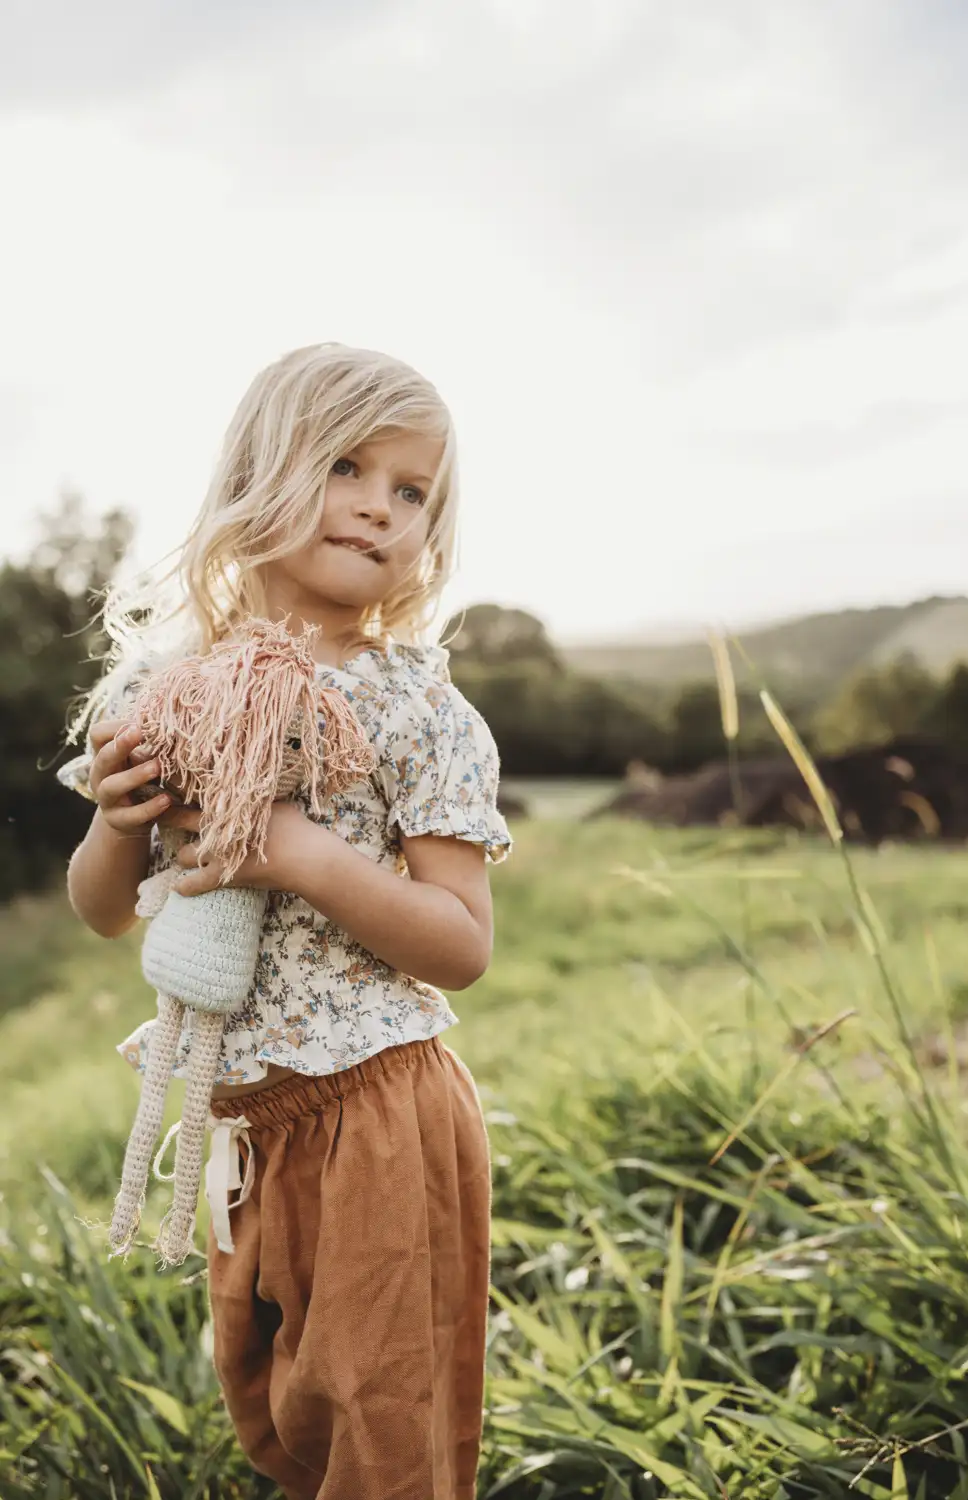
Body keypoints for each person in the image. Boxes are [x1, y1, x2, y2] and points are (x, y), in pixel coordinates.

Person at [57, 343, 512, 1500]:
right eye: (349, 466)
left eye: (413, 492)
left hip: (379, 1107)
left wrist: (301, 856)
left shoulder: (413, 700)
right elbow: (105, 913)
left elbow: (461, 940)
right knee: (275, 1405)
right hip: (243, 1120)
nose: (379, 505)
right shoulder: (164, 686)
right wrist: (117, 825)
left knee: (382, 1422)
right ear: (262, 473)